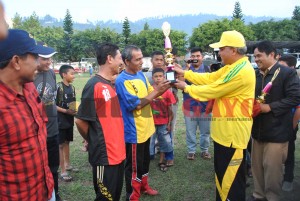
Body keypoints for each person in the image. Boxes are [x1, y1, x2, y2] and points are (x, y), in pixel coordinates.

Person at [174, 30, 255, 201]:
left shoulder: (241, 71)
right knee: (222, 179)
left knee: (231, 183)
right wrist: (185, 73)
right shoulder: (232, 67)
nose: (219, 53)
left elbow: (214, 89)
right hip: (223, 134)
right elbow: (211, 78)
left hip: (232, 136)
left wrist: (186, 87)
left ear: (233, 50)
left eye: (221, 49)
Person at [0, 29, 55, 200]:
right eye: (34, 57)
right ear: (16, 61)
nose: (39, 63)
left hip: (46, 189)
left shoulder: (29, 88)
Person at [115, 45, 170, 201]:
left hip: (146, 127)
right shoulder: (122, 80)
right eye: (137, 59)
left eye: (142, 58)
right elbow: (136, 105)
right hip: (134, 132)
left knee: (144, 162)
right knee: (133, 166)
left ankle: (144, 186)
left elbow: (149, 94)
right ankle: (132, 196)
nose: (141, 62)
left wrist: (161, 89)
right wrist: (157, 92)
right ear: (126, 61)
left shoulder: (140, 75)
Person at [249, 41, 300, 201]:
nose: (256, 59)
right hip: (257, 131)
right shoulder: (255, 74)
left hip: (277, 132)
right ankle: (258, 195)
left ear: (272, 55)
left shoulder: (286, 73)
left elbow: (295, 97)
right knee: (257, 168)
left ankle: (272, 198)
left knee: (273, 171)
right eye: (254, 56)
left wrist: (270, 107)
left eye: (259, 56)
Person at [75, 42, 126, 201]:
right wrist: (93, 139)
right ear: (109, 59)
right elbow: (80, 121)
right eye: (119, 58)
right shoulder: (94, 85)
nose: (122, 62)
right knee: (105, 198)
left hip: (118, 153)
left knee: (115, 196)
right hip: (105, 156)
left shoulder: (108, 84)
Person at [33, 42, 61, 201]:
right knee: (38, 167)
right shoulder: (28, 76)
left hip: (53, 128)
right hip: (37, 131)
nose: (49, 62)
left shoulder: (51, 73)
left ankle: (55, 194)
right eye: (45, 58)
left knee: (53, 167)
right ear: (34, 58)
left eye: (50, 58)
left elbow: (53, 99)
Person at [183, 47, 211, 160]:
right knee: (190, 131)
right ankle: (191, 150)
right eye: (193, 56)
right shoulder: (186, 71)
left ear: (202, 58)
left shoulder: (208, 70)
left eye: (197, 56)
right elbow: (179, 81)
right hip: (190, 106)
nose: (195, 58)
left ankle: (205, 150)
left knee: (205, 131)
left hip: (205, 106)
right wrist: (187, 68)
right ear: (190, 58)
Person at [278, 54, 300, 192]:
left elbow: (298, 108)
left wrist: (293, 126)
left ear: (292, 67)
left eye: (282, 66)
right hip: (277, 122)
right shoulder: (279, 79)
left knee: (289, 150)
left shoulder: (296, 82)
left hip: (290, 122)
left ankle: (288, 178)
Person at [150, 68, 176, 171]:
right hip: (151, 122)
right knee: (150, 141)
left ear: (164, 77)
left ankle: (162, 160)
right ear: (152, 78)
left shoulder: (167, 91)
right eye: (156, 76)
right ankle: (150, 155)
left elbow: (170, 110)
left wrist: (169, 123)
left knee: (163, 141)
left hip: (163, 122)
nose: (158, 78)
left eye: (160, 76)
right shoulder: (149, 90)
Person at [56, 65, 77, 182]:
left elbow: (73, 102)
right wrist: (65, 111)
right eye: (72, 74)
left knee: (67, 142)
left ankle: (68, 165)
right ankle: (63, 170)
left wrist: (74, 111)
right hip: (60, 120)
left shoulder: (72, 87)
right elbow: (53, 105)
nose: (73, 76)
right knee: (60, 145)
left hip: (69, 120)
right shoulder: (58, 87)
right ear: (64, 75)